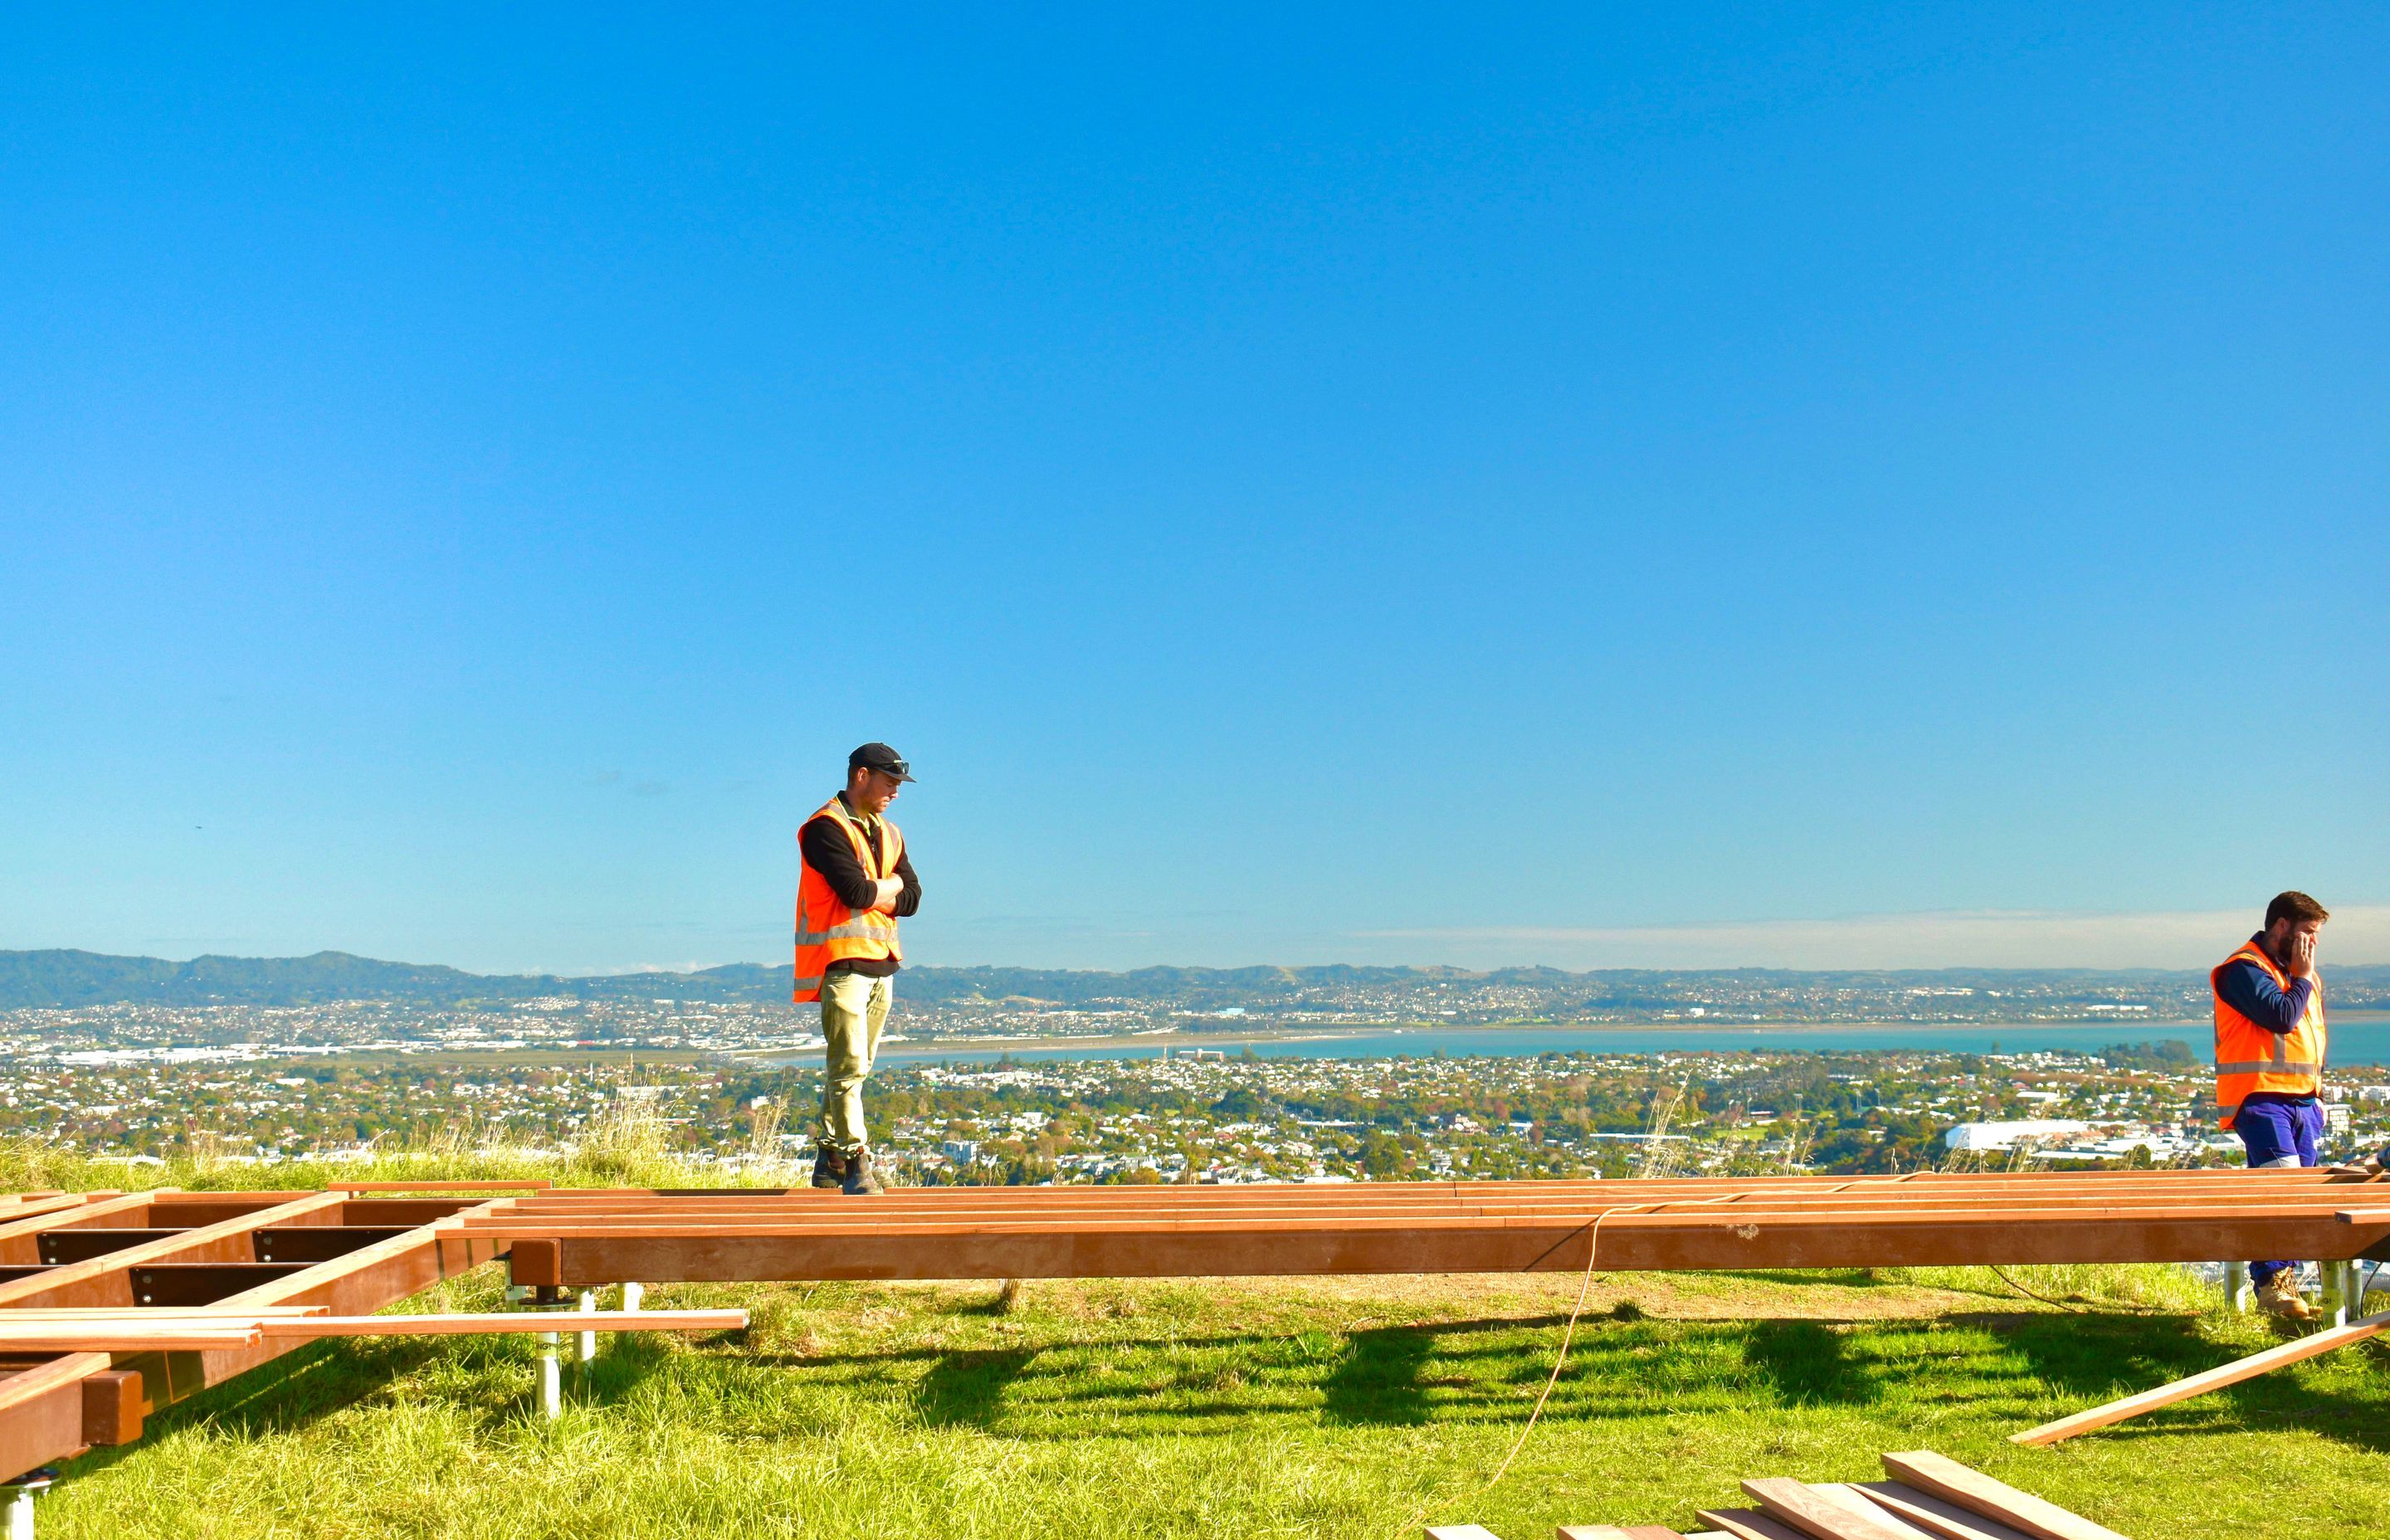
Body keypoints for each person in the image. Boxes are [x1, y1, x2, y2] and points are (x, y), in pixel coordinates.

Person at [793, 743, 921, 1195]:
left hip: (882, 966)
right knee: (848, 1066)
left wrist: (880, 889)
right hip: (842, 964)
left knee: (856, 1068)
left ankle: (829, 1158)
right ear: (862, 776)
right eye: (890, 783)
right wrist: (891, 887)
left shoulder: (891, 834)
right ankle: (855, 1162)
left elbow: (914, 898)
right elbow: (854, 893)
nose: (896, 793)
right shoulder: (823, 828)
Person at [2212, 889, 2330, 1319]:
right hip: (2260, 1098)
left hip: (2303, 1102)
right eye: (2306, 933)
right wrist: (2302, 977)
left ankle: (2288, 1285)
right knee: (2280, 1186)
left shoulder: (2301, 975)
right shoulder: (2243, 970)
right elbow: (2280, 1016)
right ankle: (2273, 1286)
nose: (2311, 944)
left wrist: (2316, 1099)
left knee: (2299, 1195)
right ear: (2280, 926)